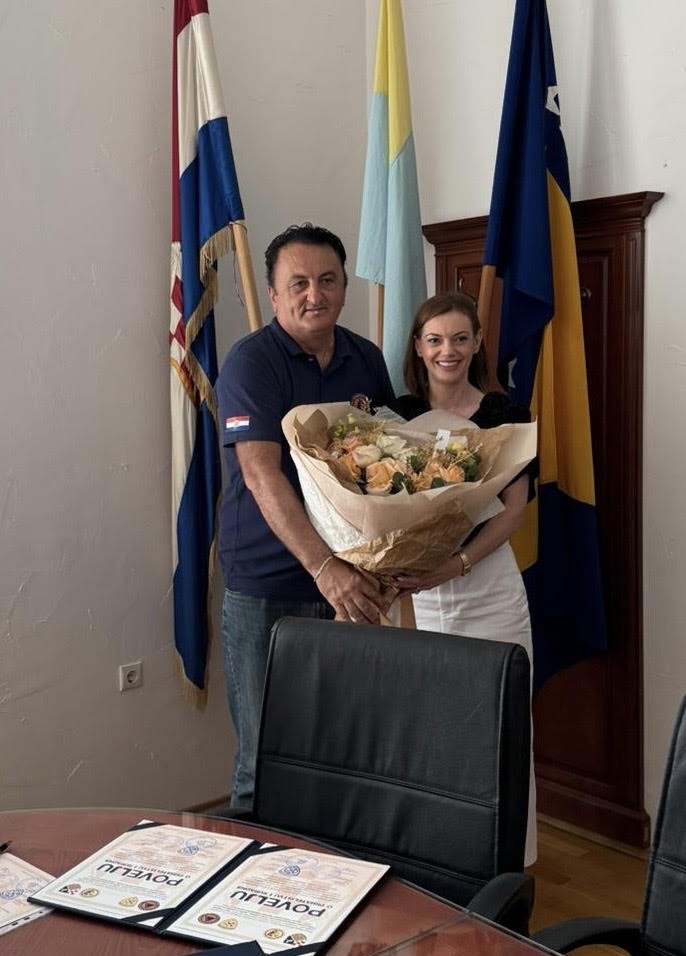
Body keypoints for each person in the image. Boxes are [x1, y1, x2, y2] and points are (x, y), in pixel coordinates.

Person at [216, 223, 395, 809]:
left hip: (354, 580)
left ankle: (328, 867)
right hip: (270, 586)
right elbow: (260, 475)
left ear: (344, 287)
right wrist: (324, 568)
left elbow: (386, 465)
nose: (314, 294)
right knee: (264, 758)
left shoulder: (366, 359)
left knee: (343, 750)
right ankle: (256, 868)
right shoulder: (251, 363)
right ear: (273, 295)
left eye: (327, 280)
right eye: (298, 283)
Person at [392, 290, 538, 865]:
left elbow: (512, 513)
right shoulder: (397, 415)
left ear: (477, 343)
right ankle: (440, 857)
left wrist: (454, 565)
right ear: (418, 347)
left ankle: (506, 863)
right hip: (420, 596)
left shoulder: (507, 415)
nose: (446, 351)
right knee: (433, 729)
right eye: (434, 340)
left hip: (489, 590)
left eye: (459, 338)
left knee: (502, 727)